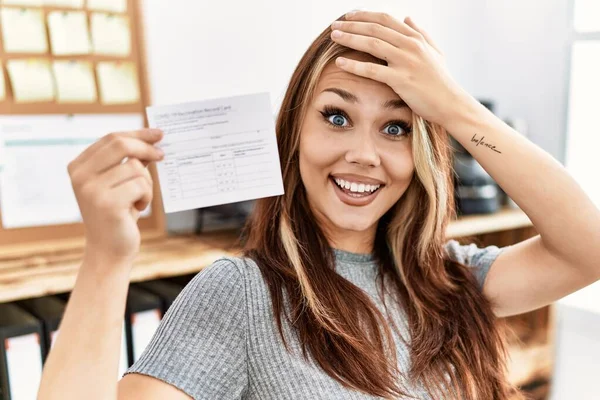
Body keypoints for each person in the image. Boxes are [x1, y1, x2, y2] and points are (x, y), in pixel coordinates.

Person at [38, 10, 600, 400]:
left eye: (396, 128)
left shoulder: (452, 279)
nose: (364, 154)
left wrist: (456, 109)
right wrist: (107, 258)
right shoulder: (240, 294)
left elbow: (588, 248)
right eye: (336, 116)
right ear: (294, 135)